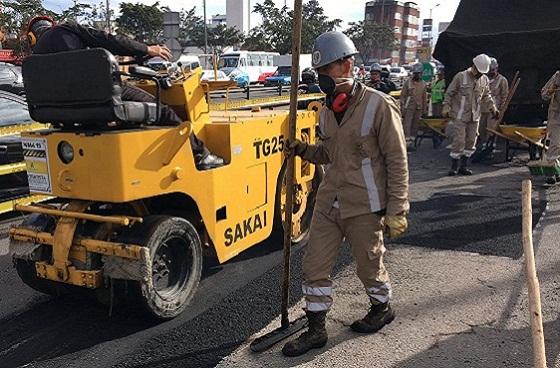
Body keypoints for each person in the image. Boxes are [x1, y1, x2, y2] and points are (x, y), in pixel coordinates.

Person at [282, 31, 409, 357]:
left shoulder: (378, 105)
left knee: (369, 264)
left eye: (327, 71)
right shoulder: (325, 110)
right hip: (329, 201)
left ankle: (382, 308)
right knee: (314, 266)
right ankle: (316, 329)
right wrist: (303, 150)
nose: (323, 79)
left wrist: (398, 209)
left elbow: (397, 159)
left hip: (365, 204)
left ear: (348, 64)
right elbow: (329, 154)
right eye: (321, 73)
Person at [26, 16, 224, 170]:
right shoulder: (67, 29)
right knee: (163, 111)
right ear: (52, 25)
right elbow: (107, 40)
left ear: (32, 37)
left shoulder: (36, 58)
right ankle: (201, 154)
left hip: (69, 114)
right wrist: (147, 48)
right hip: (100, 97)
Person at [442, 54, 498, 176]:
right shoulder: (461, 77)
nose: (480, 74)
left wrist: (492, 108)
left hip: (475, 115)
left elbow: (486, 95)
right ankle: (454, 166)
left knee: (471, 140)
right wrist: (446, 106)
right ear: (474, 66)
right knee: (459, 140)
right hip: (460, 114)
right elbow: (449, 93)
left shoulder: (484, 79)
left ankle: (464, 166)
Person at [478, 57, 509, 148]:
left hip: (494, 110)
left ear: (496, 69)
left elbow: (504, 96)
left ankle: (491, 145)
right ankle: (484, 145)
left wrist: (502, 109)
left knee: (491, 129)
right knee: (481, 129)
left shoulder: (502, 80)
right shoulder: (483, 80)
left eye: (493, 70)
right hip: (483, 109)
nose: (491, 72)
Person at [400, 63, 427, 149]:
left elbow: (424, 97)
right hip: (409, 107)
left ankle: (412, 141)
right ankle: (406, 143)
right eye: (415, 73)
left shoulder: (423, 84)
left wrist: (424, 110)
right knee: (407, 124)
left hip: (418, 107)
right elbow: (403, 95)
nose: (417, 75)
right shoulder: (408, 83)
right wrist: (402, 106)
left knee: (415, 125)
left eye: (418, 73)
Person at [541, 71, 560, 184]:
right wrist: (554, 87)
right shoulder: (558, 76)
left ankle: (557, 170)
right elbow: (544, 95)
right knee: (556, 144)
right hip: (556, 115)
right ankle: (550, 172)